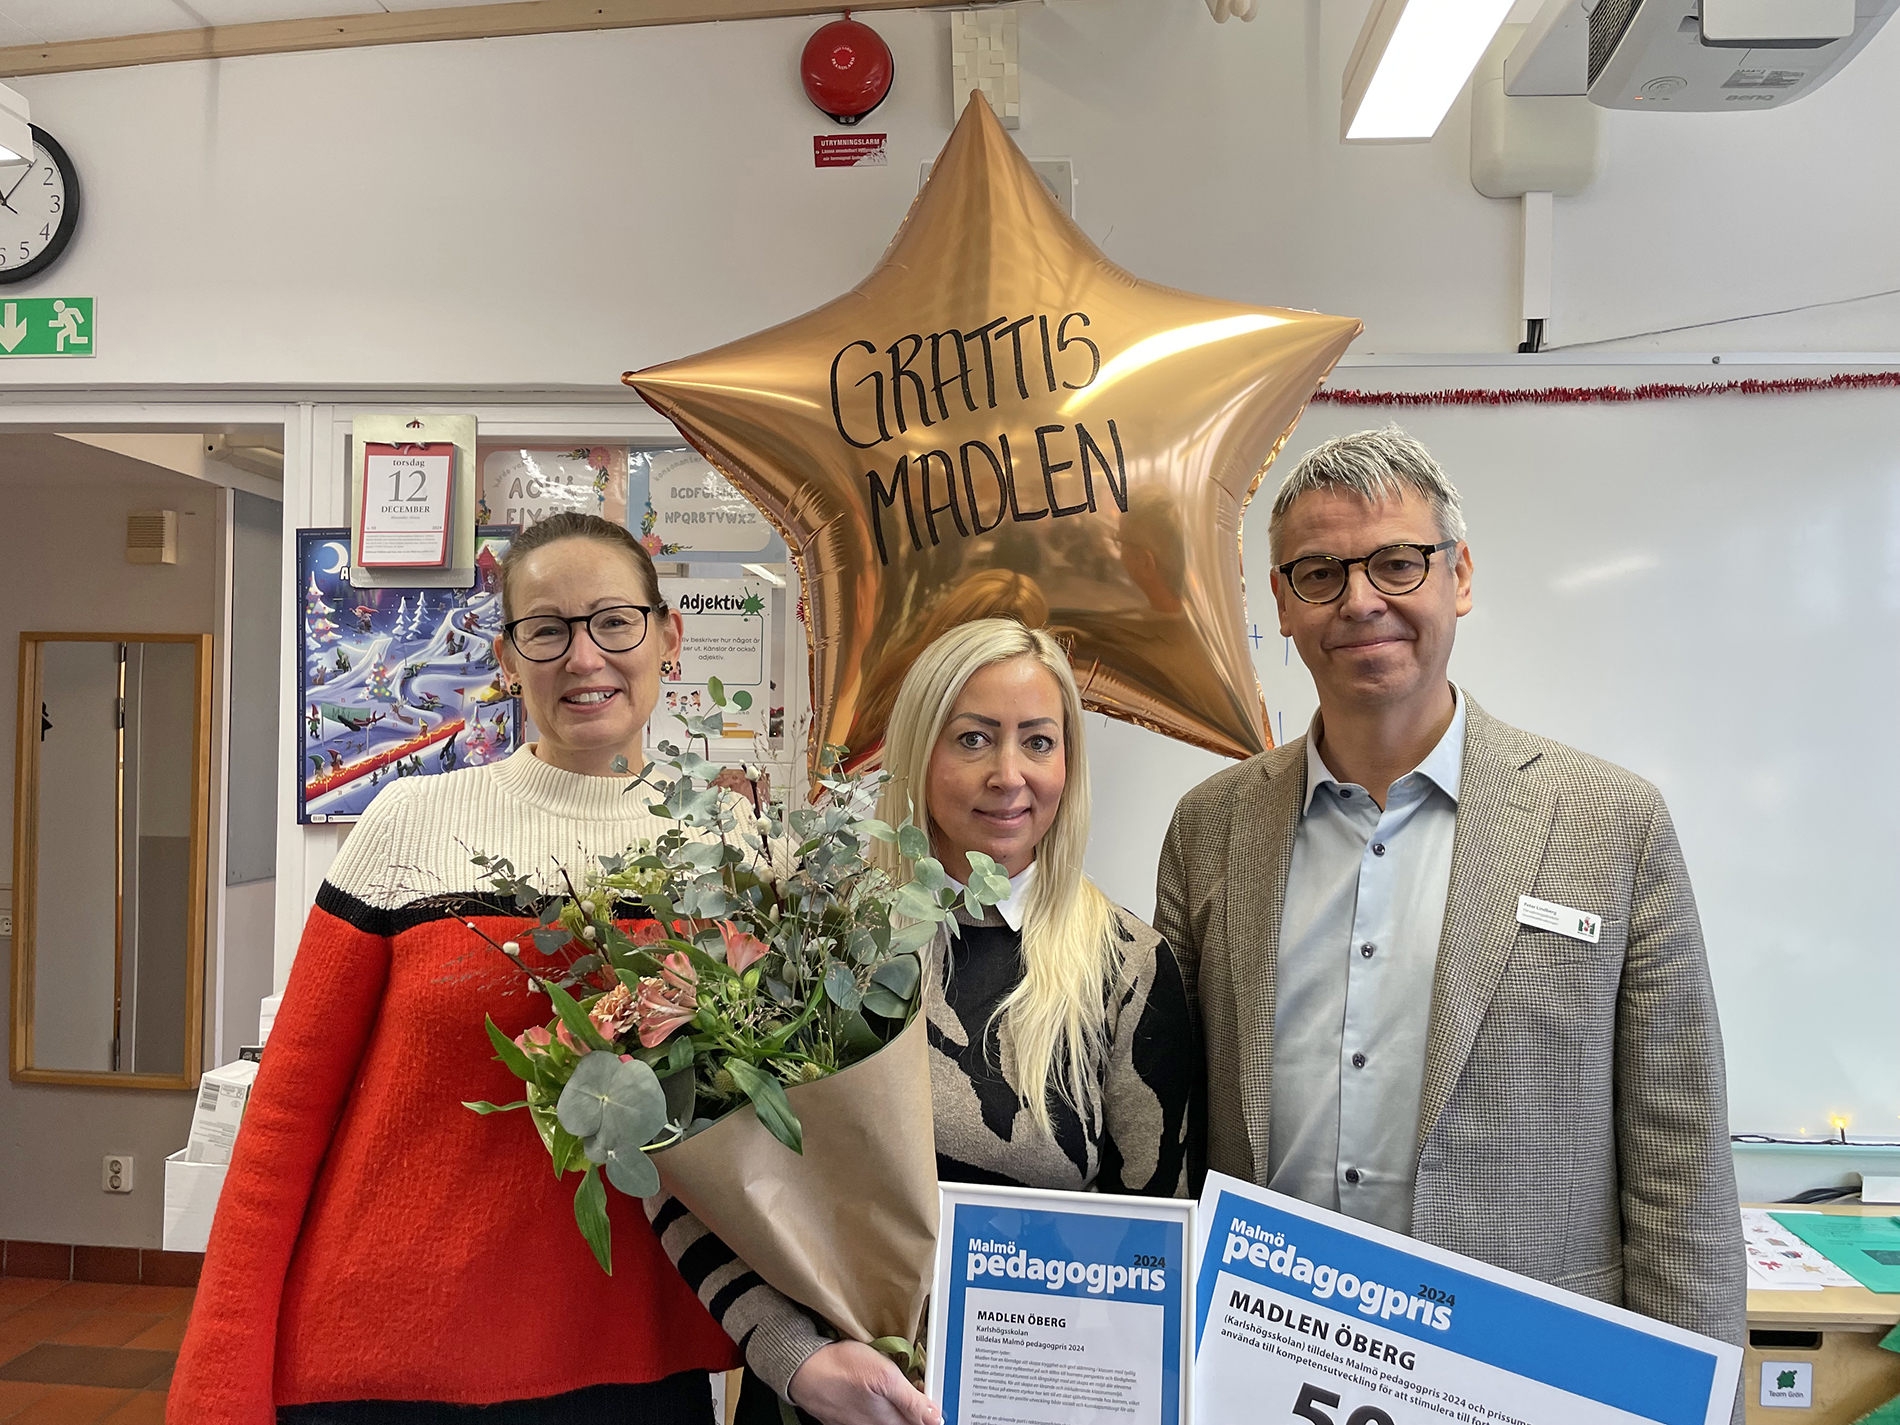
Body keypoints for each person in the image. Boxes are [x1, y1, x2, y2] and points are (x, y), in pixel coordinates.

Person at [1155, 428, 1746, 1358]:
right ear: (1282, 600)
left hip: (1523, 1372)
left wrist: (1692, 1393)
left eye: (1398, 563)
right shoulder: (1210, 827)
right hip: (1263, 1360)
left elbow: (1680, 1150)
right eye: (1318, 572)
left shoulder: (1611, 822)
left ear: (1459, 576)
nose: (1360, 601)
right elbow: (1172, 1125)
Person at [170, 513, 756, 1425]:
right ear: (508, 657)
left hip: (633, 1359)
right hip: (391, 1362)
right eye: (547, 629)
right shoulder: (410, 823)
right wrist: (218, 1385)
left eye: (614, 621)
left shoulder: (732, 853)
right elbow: (284, 1117)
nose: (584, 655)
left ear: (666, 634)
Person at [650, 618, 1197, 1425]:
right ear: (918, 752)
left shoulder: (1128, 969)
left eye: (1038, 741)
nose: (1009, 775)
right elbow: (683, 1173)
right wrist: (797, 1362)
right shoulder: (808, 941)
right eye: (973, 738)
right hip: (814, 1408)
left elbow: (1156, 1247)